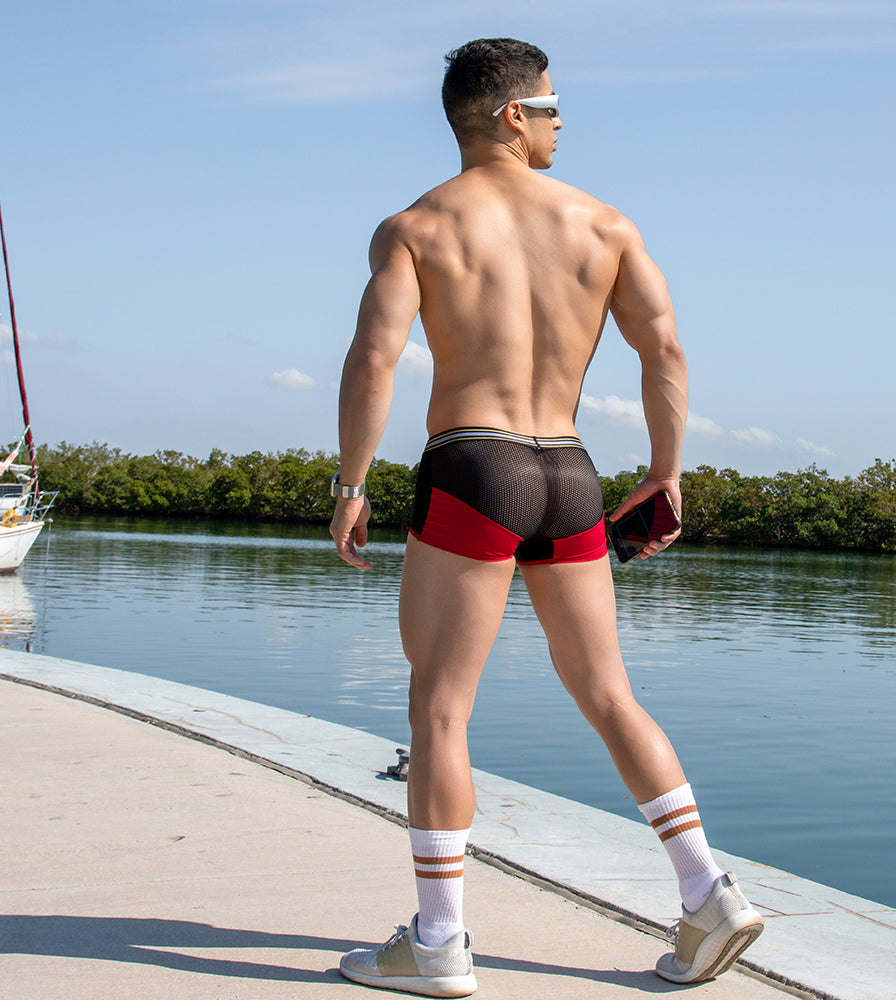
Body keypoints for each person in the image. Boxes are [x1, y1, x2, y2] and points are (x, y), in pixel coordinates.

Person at [330, 37, 763, 997]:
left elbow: (374, 360)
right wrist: (665, 475)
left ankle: (439, 942)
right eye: (554, 105)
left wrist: (350, 485)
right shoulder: (605, 224)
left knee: (440, 704)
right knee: (609, 693)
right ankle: (708, 892)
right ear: (508, 115)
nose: (566, 121)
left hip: (473, 466)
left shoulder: (416, 226)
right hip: (568, 470)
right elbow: (666, 355)